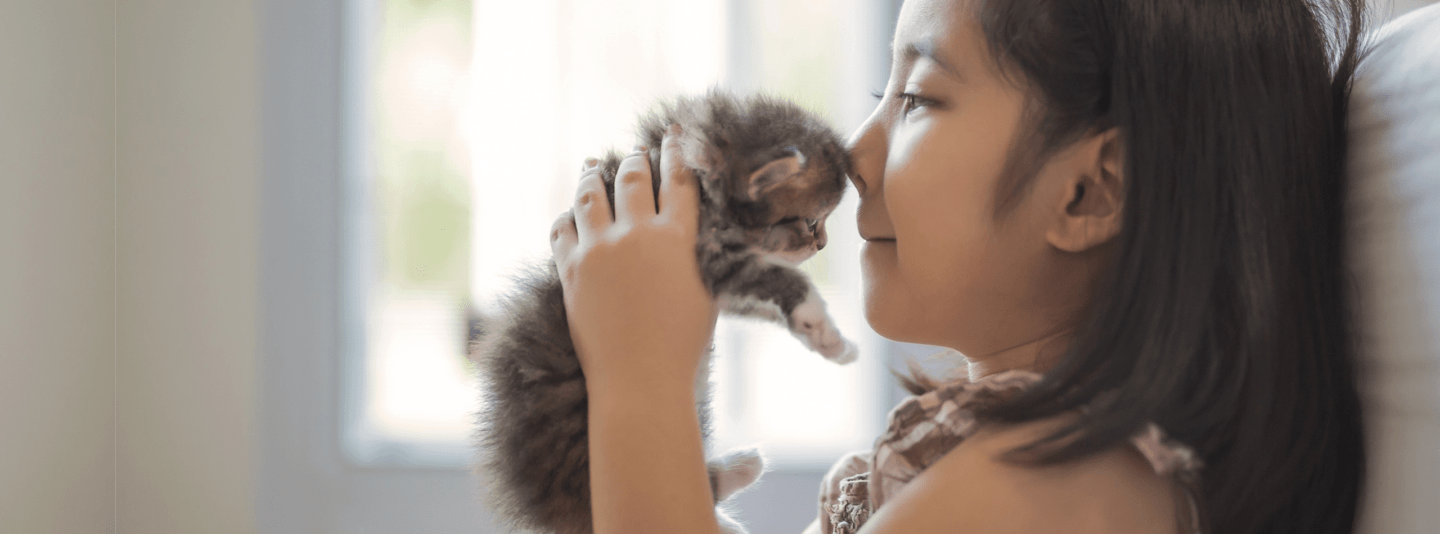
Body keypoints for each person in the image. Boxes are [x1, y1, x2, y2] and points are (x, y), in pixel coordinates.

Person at [546, 0, 1368, 532]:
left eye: (918, 101)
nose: (855, 156)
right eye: (880, 91)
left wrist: (642, 387)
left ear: (1088, 192)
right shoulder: (1026, 471)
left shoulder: (1054, 492)